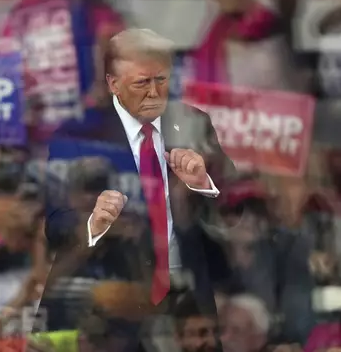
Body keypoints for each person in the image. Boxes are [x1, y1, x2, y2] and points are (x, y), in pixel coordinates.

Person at [42, 28, 238, 347]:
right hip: (93, 295)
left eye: (155, 79)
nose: (149, 90)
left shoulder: (181, 132)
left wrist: (190, 198)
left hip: (165, 291)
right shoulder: (73, 138)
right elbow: (46, 269)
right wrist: (96, 230)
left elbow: (206, 240)